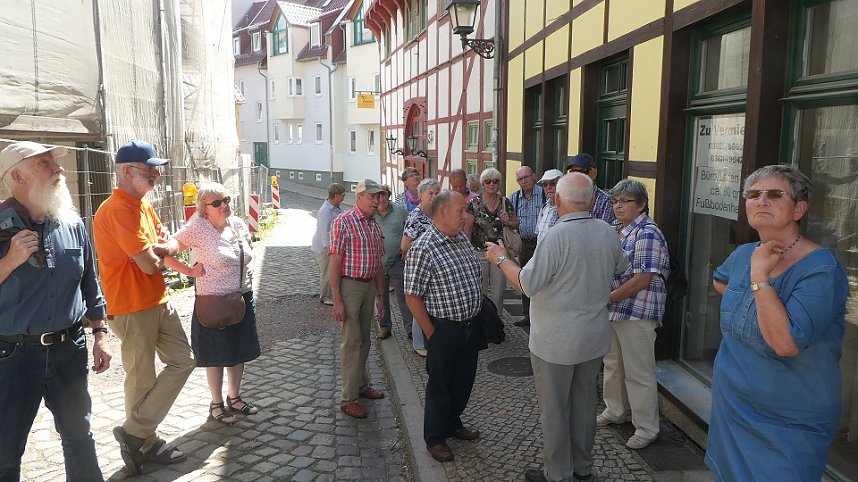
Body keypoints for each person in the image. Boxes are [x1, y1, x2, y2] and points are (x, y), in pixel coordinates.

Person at [706, 165, 848, 481]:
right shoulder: (744, 254)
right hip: (733, 406)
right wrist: (751, 297)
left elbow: (786, 343)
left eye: (774, 194)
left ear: (799, 209)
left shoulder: (821, 269)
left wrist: (760, 278)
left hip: (789, 419)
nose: (761, 200)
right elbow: (721, 281)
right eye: (753, 194)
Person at [486, 172, 628, 482]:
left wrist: (500, 258)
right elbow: (622, 267)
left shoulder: (555, 236)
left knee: (555, 410)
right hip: (592, 337)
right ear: (592, 200)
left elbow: (527, 284)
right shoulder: (607, 231)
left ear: (558, 200)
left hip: (556, 342)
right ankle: (582, 467)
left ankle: (557, 474)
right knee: (584, 407)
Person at [0, 141, 112, 481]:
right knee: (5, 451)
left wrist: (100, 333)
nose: (59, 169)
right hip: (13, 357)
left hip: (69, 350)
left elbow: (90, 282)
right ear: (18, 176)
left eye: (55, 163)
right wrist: (10, 261)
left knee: (80, 437)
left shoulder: (72, 224)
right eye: (45, 163)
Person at [93, 139, 195, 474]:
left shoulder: (142, 205)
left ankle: (135, 433)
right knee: (141, 378)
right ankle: (145, 443)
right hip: (131, 305)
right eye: (149, 169)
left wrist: (164, 249)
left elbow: (169, 244)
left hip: (157, 299)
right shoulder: (117, 209)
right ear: (126, 171)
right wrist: (163, 250)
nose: (156, 175)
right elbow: (151, 264)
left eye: (156, 169)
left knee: (184, 360)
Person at [160, 183, 261, 425]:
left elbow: (249, 250)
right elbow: (166, 253)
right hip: (213, 302)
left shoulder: (237, 224)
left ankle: (234, 397)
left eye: (226, 200)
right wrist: (189, 271)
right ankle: (216, 403)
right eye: (217, 203)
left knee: (238, 350)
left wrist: (249, 265)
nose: (224, 205)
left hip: (241, 298)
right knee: (216, 354)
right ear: (204, 208)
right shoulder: (197, 227)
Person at [404, 190, 484, 463]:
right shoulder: (423, 248)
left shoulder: (460, 239)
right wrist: (432, 333)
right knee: (440, 387)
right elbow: (412, 296)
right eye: (461, 211)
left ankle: (452, 422)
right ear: (442, 212)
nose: (465, 216)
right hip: (443, 329)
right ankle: (435, 438)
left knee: (463, 383)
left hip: (470, 326)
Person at [598, 179, 670, 450]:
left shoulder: (648, 232)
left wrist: (606, 298)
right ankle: (616, 411)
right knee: (613, 364)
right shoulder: (617, 229)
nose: (618, 206)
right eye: (615, 201)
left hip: (638, 311)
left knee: (638, 372)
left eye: (624, 201)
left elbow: (642, 279)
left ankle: (647, 428)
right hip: (615, 310)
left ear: (641, 205)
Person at [329, 179, 387, 419]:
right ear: (359, 196)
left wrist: (381, 296)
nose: (377, 201)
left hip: (369, 286)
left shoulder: (373, 224)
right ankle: (348, 398)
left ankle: (361, 386)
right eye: (372, 196)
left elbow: (379, 264)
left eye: (379, 196)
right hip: (350, 286)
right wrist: (337, 301)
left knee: (364, 341)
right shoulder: (343, 221)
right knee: (352, 343)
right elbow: (334, 263)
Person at [464, 168, 520, 309]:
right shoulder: (474, 203)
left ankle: (496, 318)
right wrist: (467, 252)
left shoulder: (505, 202)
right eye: (488, 181)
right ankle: (482, 318)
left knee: (498, 291)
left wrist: (508, 221)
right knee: (479, 290)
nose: (491, 184)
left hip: (500, 252)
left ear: (499, 184)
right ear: (483, 184)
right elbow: (467, 229)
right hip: (479, 252)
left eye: (495, 181)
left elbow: (516, 224)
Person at [401, 179, 441, 356]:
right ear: (421, 196)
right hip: (419, 266)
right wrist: (422, 251)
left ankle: (430, 339)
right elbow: (404, 246)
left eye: (436, 193)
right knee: (419, 304)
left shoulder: (437, 213)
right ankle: (419, 344)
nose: (434, 196)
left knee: (430, 304)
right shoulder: (416, 216)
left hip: (435, 268)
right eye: (430, 193)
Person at [374, 185, 410, 340]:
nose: (381, 199)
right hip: (378, 263)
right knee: (381, 296)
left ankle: (410, 328)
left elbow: (411, 228)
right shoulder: (371, 213)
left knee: (404, 295)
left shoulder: (400, 211)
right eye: (378, 196)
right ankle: (385, 327)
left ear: (388, 196)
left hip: (397, 260)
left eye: (384, 195)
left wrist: (408, 247)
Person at [509, 166, 545, 327]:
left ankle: (542, 314)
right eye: (520, 179)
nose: (524, 181)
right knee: (525, 278)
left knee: (544, 278)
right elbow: (511, 221)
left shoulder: (544, 194)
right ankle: (527, 314)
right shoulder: (514, 197)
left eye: (526, 177)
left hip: (542, 244)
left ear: (533, 176)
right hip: (524, 244)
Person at [311, 183, 346, 305]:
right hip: (323, 247)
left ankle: (332, 294)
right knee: (327, 272)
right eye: (342, 195)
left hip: (331, 245)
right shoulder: (325, 210)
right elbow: (323, 231)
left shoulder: (335, 207)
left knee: (333, 270)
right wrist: (329, 249)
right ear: (335, 195)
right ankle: (325, 296)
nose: (344, 197)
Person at [567, 153, 615, 224]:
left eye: (582, 171)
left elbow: (603, 228)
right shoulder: (566, 197)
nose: (577, 175)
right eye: (573, 172)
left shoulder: (606, 200)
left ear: (594, 173)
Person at [535, 169, 563, 242]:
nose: (548, 187)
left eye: (552, 183)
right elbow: (538, 234)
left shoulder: (567, 208)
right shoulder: (544, 207)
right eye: (545, 184)